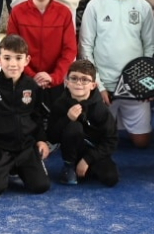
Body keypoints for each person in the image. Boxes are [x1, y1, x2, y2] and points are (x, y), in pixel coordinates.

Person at [79, 0, 154, 148]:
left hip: (134, 86)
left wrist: (145, 83)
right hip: (105, 87)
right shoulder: (95, 5)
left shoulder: (143, 7)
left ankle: (123, 119)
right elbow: (86, 47)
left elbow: (150, 46)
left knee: (142, 143)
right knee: (100, 141)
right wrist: (99, 86)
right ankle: (112, 119)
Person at [0, 35, 51, 196]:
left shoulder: (32, 86)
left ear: (27, 60)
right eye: (7, 58)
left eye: (18, 58)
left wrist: (41, 140)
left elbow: (37, 116)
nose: (13, 64)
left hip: (26, 147)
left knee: (41, 186)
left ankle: (25, 165)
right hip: (0, 148)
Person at [7, 0, 78, 103]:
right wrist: (32, 76)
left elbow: (69, 50)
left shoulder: (64, 13)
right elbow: (12, 50)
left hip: (55, 82)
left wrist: (54, 77)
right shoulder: (17, 12)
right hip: (25, 81)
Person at [49, 59, 118, 187]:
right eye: (74, 78)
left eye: (84, 79)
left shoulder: (101, 109)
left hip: (95, 150)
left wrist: (88, 160)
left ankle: (84, 168)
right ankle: (69, 166)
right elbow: (52, 136)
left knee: (110, 178)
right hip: (72, 148)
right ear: (67, 82)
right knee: (73, 127)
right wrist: (67, 119)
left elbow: (111, 140)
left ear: (93, 85)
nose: (78, 83)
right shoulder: (60, 104)